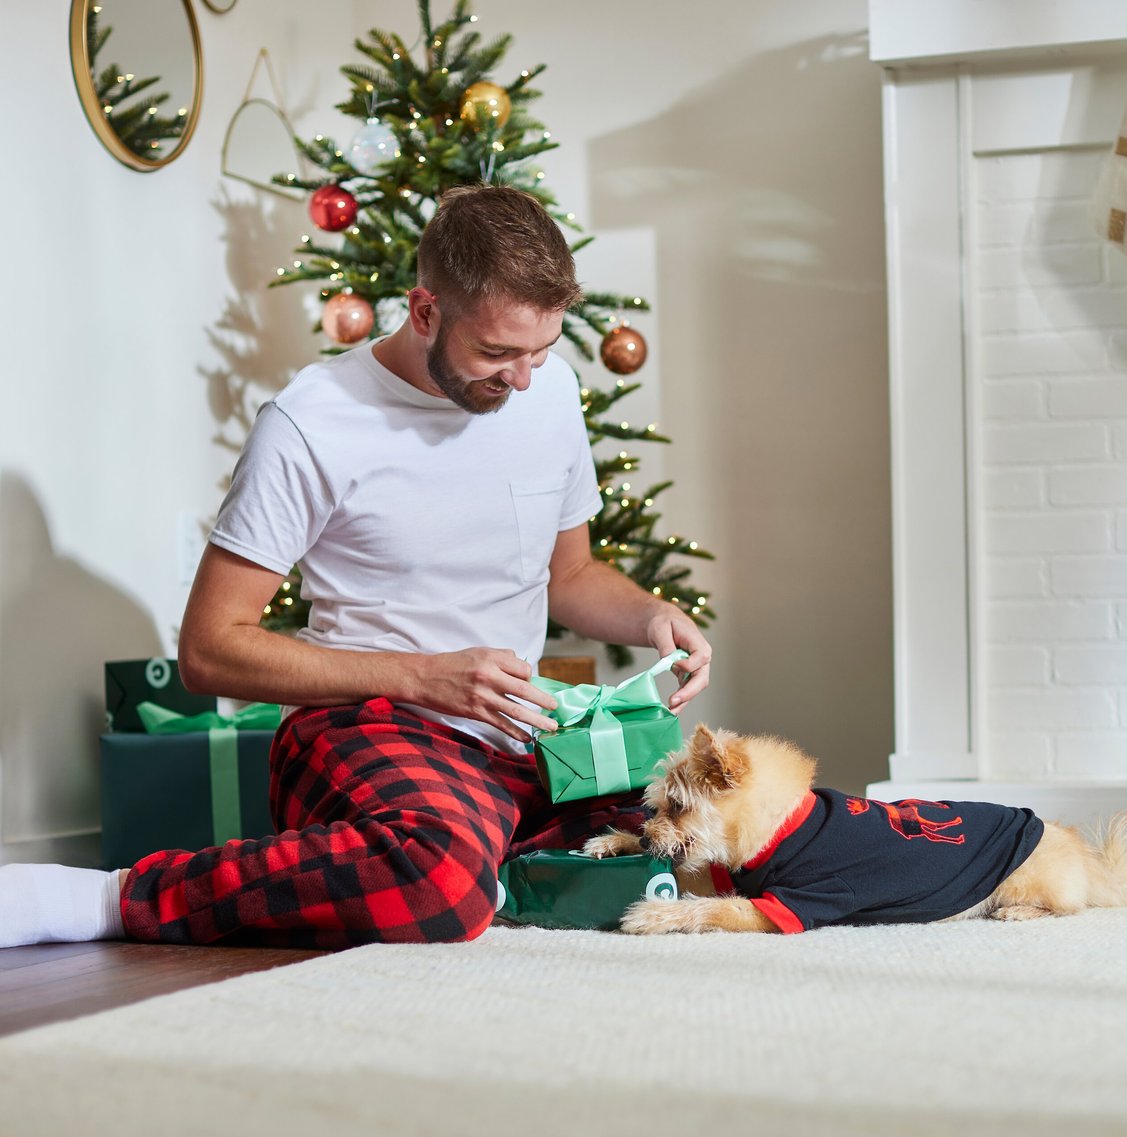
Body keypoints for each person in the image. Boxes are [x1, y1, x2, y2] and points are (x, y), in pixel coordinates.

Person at [0, 184, 711, 950]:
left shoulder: (552, 394)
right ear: (425, 310)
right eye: (497, 353)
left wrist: (651, 617)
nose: (522, 379)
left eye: (540, 351)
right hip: (366, 724)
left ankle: (492, 863)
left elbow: (570, 575)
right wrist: (422, 676)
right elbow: (208, 649)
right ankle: (111, 900)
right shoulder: (311, 424)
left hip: (521, 740)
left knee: (696, 835)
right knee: (439, 876)